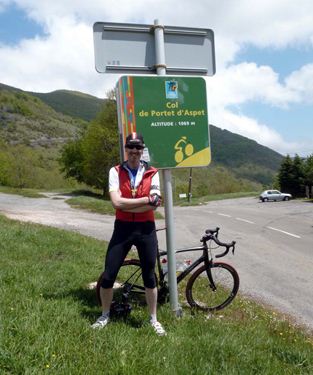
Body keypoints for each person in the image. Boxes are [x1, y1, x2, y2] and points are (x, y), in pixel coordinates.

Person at [91, 132, 166, 336]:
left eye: (138, 149)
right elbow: (116, 203)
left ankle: (153, 319)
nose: (134, 153)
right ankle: (105, 314)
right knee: (109, 274)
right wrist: (144, 202)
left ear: (143, 151)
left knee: (149, 276)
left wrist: (128, 204)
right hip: (122, 228)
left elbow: (156, 204)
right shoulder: (115, 171)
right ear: (126, 150)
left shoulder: (152, 172)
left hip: (146, 230)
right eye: (130, 149)